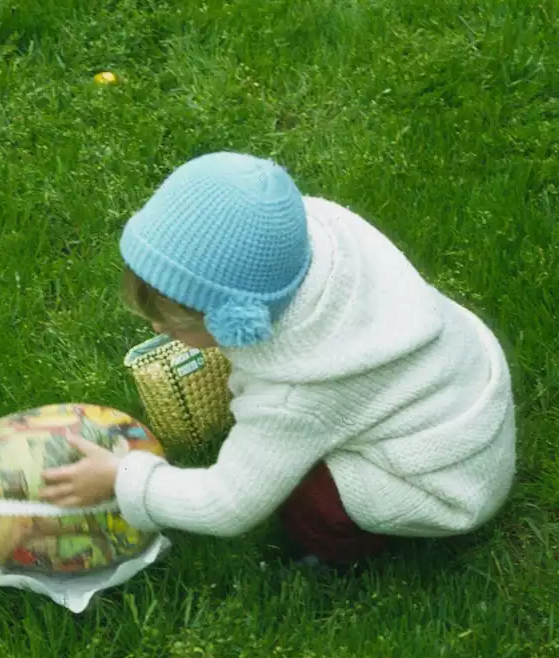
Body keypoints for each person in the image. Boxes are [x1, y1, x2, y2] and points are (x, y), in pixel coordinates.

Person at [40, 152, 516, 567]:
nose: (157, 330)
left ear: (239, 321)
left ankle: (333, 554)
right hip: (459, 384)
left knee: (303, 501)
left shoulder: (297, 396)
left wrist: (122, 479)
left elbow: (228, 505)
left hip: (442, 482)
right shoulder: (315, 237)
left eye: (175, 323)